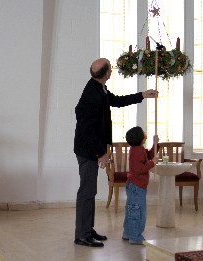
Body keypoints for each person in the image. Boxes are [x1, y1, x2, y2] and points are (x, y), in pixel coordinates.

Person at [73, 58, 158, 247]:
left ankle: (87, 229)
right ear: (106, 74)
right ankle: (82, 235)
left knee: (90, 191)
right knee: (87, 192)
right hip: (87, 150)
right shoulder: (92, 94)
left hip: (91, 148)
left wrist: (143, 95)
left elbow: (117, 101)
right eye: (110, 68)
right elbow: (87, 129)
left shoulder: (99, 88)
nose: (112, 71)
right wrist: (100, 152)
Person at [122, 126, 159, 245]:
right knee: (137, 212)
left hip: (135, 186)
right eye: (143, 133)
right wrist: (152, 163)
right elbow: (140, 169)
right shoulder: (137, 151)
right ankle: (135, 236)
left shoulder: (139, 148)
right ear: (140, 137)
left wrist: (155, 144)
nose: (145, 134)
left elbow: (149, 155)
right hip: (137, 187)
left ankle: (128, 233)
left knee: (131, 210)